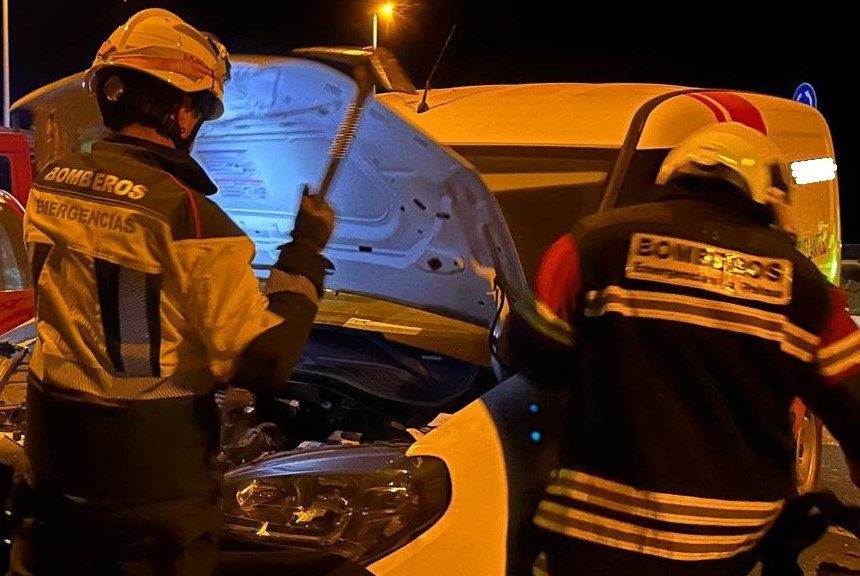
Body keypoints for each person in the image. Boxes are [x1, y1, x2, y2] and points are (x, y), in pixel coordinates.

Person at [8, 8, 335, 575]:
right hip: (147, 501)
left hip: (56, 475)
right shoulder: (191, 217)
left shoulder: (51, 184)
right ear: (183, 112)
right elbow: (262, 363)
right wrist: (305, 253)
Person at [512, 121, 860, 576]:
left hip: (590, 537)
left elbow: (538, 358)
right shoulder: (807, 290)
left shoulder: (588, 245)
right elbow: (854, 405)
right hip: (728, 547)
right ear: (767, 195)